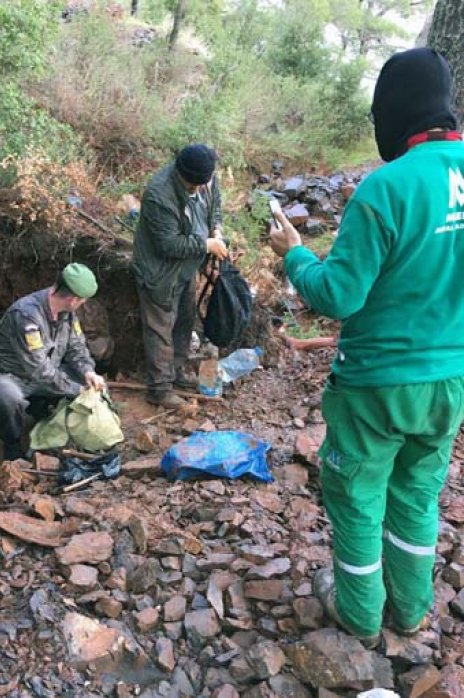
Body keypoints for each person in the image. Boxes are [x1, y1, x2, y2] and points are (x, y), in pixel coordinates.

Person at [270, 47, 464, 648]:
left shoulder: (388, 188)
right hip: (451, 381)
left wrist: (295, 254)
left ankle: (357, 613)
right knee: (417, 493)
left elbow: (339, 295)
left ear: (393, 113)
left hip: (376, 384)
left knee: (356, 494)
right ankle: (409, 608)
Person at [131, 144, 228, 408]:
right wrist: (206, 245)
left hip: (186, 268)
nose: (197, 190)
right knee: (160, 328)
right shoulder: (158, 195)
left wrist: (216, 231)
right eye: (191, 186)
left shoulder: (206, 177)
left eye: (201, 185)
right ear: (180, 172)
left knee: (185, 318)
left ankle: (178, 370)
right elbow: (168, 245)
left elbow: (214, 207)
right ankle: (159, 388)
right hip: (159, 272)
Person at [0, 263, 104, 460]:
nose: (82, 304)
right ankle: (12, 445)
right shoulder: (27, 315)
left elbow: (77, 348)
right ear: (73, 299)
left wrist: (88, 372)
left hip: (51, 373)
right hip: (16, 376)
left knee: (92, 385)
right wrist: (75, 389)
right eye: (82, 300)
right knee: (7, 397)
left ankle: (50, 419)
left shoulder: (68, 314)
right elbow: (38, 369)